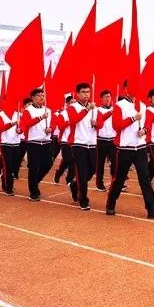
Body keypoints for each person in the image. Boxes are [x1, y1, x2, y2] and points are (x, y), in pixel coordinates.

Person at [104, 82, 154, 218]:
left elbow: (148, 123)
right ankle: (111, 203)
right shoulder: (119, 105)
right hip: (124, 148)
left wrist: (144, 130)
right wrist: (132, 118)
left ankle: (151, 208)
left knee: (145, 178)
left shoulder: (142, 106)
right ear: (126, 89)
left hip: (140, 147)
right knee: (119, 179)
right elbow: (116, 126)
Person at [66, 83, 98, 211]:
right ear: (77, 94)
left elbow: (100, 124)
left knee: (92, 170)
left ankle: (74, 185)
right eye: (83, 92)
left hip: (92, 144)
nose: (86, 94)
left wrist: (97, 123)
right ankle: (83, 199)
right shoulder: (72, 107)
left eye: (88, 92)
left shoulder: (95, 108)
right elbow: (73, 120)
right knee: (82, 172)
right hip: (78, 144)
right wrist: (87, 110)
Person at [20, 88, 54, 201]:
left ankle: (35, 181)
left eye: (43, 95)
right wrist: (40, 118)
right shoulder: (28, 110)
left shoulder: (48, 109)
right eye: (38, 95)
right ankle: (33, 192)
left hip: (46, 141)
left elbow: (52, 124)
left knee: (48, 164)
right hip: (33, 142)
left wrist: (50, 129)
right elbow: (27, 123)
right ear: (33, 98)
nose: (41, 97)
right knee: (33, 167)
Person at [0, 104, 21, 196]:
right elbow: (0, 128)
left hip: (16, 143)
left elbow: (22, 128)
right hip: (5, 143)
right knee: (8, 166)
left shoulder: (18, 114)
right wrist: (12, 124)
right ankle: (8, 187)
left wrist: (20, 130)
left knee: (14, 166)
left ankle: (4, 178)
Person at [94, 90, 116, 191]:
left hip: (113, 140)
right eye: (106, 97)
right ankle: (99, 183)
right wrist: (110, 113)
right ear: (101, 99)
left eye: (109, 97)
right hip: (101, 140)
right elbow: (100, 120)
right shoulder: (97, 110)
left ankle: (115, 181)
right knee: (100, 162)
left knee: (115, 162)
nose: (108, 99)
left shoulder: (114, 109)